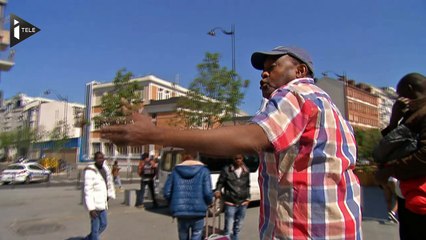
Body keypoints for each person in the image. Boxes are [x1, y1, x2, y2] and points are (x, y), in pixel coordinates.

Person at [101, 46, 362, 239]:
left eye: (272, 68)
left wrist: (155, 135)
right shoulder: (327, 104)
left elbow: (253, 138)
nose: (264, 75)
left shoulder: (296, 92)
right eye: (263, 70)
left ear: (300, 71)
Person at [375, 72, 426, 240]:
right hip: (410, 196)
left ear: (409, 89)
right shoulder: (411, 115)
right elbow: (389, 149)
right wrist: (394, 121)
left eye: (399, 94)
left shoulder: (422, 113)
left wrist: (392, 170)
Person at [163, 150, 213, 240]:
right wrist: (209, 203)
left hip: (181, 212)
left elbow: (167, 192)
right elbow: (208, 193)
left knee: (183, 235)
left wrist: (172, 203)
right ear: (196, 157)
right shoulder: (204, 171)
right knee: (197, 234)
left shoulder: (175, 171)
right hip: (198, 211)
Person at [214, 154, 250, 240]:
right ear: (233, 159)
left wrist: (248, 197)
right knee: (228, 228)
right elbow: (220, 182)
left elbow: (247, 185)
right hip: (230, 202)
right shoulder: (227, 170)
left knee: (238, 227)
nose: (238, 160)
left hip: (243, 202)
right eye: (236, 158)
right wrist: (218, 190)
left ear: (242, 159)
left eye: (240, 158)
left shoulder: (246, 170)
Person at [83, 151, 116, 240]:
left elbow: (108, 182)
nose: (101, 160)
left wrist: (109, 194)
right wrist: (91, 208)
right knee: (95, 228)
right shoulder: (91, 171)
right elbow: (88, 190)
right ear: (95, 159)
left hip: (103, 203)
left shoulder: (105, 169)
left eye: (102, 158)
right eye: (99, 158)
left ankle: (88, 238)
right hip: (94, 205)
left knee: (104, 224)